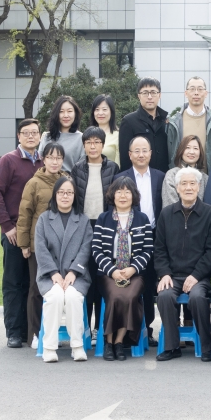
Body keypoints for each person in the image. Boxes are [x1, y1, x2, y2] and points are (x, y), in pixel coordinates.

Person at [155, 167, 211, 362]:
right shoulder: (166, 214)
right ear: (177, 188)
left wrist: (196, 275)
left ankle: (206, 347)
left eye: (192, 183)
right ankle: (172, 346)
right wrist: (164, 273)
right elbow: (159, 249)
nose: (188, 187)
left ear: (199, 187)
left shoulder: (210, 213)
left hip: (198, 276)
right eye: (184, 184)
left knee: (198, 298)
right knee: (164, 296)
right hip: (172, 275)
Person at [0, 118, 44, 348]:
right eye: (26, 133)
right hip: (13, 231)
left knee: (32, 282)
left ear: (40, 136)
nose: (31, 136)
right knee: (13, 282)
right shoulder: (8, 160)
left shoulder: (44, 162)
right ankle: (13, 331)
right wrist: (7, 226)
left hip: (37, 234)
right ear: (19, 136)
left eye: (35, 132)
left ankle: (27, 330)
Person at [92, 177, 154, 361]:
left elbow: (148, 250)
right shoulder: (103, 218)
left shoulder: (143, 219)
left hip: (135, 273)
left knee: (129, 296)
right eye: (119, 191)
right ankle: (108, 342)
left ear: (133, 195)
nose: (123, 196)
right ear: (113, 195)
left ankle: (119, 342)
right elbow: (96, 249)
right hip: (108, 273)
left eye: (127, 192)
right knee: (115, 296)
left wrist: (133, 269)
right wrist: (112, 271)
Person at [34, 177, 93, 362]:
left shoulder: (83, 220)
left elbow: (86, 248)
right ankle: (49, 348)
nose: (65, 196)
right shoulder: (44, 219)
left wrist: (74, 271)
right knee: (55, 297)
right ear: (55, 195)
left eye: (69, 192)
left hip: (77, 275)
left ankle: (77, 346)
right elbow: (40, 248)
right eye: (61, 192)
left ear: (74, 195)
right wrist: (53, 273)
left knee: (74, 297)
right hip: (49, 275)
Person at [114, 135, 165, 345]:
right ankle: (128, 330)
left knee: (149, 283)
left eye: (145, 150)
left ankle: (147, 330)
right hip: (129, 236)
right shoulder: (121, 178)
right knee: (132, 282)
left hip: (155, 234)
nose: (141, 154)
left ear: (151, 154)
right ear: (129, 155)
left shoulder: (160, 177)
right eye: (137, 151)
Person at [17, 142, 67, 349]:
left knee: (59, 290)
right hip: (39, 246)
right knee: (37, 289)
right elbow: (24, 215)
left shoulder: (66, 181)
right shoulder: (34, 183)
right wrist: (24, 244)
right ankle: (35, 334)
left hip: (62, 246)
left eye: (58, 158)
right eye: (51, 157)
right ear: (43, 159)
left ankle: (54, 331)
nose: (55, 162)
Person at [70, 126, 119, 336]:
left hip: (104, 225)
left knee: (102, 276)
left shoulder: (113, 168)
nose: (92, 146)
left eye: (96, 142)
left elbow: (115, 199)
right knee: (86, 275)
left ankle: (100, 326)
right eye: (88, 142)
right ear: (84, 145)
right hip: (83, 226)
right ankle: (86, 328)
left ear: (102, 145)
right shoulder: (77, 168)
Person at [167, 76, 211, 170]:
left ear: (206, 93)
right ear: (186, 93)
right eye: (192, 89)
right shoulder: (174, 122)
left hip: (209, 176)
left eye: (200, 89)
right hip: (181, 176)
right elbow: (170, 153)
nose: (196, 93)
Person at [118, 77, 169, 172]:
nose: (149, 97)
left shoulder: (166, 121)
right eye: (145, 93)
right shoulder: (129, 121)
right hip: (138, 177)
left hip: (164, 176)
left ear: (159, 95)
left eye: (153, 92)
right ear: (139, 96)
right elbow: (125, 158)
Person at [38, 95, 85, 173]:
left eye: (69, 111)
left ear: (75, 113)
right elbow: (39, 162)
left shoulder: (81, 138)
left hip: (71, 179)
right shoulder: (47, 137)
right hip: (47, 179)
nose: (66, 115)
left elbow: (82, 168)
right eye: (61, 111)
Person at [163, 135, 208, 208]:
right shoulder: (171, 175)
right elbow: (169, 206)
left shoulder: (205, 178)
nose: (191, 152)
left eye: (195, 148)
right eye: (187, 148)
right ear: (181, 151)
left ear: (200, 153)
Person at [87, 94, 120, 167]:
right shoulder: (87, 135)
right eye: (97, 109)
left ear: (111, 112)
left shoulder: (118, 136)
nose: (100, 113)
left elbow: (118, 166)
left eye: (104, 109)